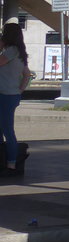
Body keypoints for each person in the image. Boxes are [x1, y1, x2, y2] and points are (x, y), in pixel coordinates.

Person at [0, 21, 29, 174]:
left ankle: (11, 163)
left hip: (5, 95)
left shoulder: (11, 51)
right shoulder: (20, 52)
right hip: (11, 94)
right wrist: (20, 90)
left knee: (7, 129)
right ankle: (7, 161)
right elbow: (27, 74)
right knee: (4, 128)